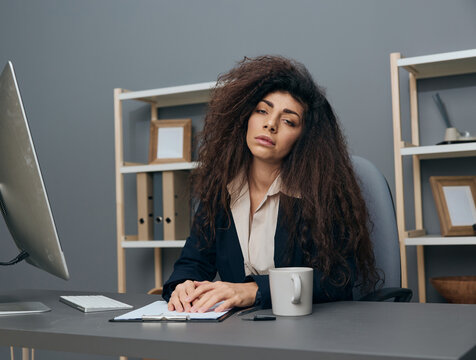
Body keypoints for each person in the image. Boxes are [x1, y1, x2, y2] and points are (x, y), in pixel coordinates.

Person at [162, 55, 381, 313]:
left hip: (305, 332)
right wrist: (183, 286)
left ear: (304, 138)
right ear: (245, 117)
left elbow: (335, 281)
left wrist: (255, 290)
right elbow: (193, 262)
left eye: (288, 120)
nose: (270, 124)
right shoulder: (222, 191)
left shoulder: (319, 197)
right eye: (262, 111)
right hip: (238, 333)